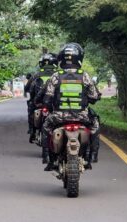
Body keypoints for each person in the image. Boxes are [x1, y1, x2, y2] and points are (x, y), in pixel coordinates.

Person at [42, 43, 101, 171]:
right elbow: (94, 96)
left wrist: (49, 104)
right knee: (95, 125)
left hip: (59, 116)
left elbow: (47, 99)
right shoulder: (84, 76)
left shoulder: (56, 76)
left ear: (61, 58)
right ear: (79, 58)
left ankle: (48, 158)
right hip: (82, 116)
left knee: (46, 126)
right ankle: (92, 156)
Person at [27, 53, 58, 142]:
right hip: (54, 103)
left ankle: (32, 130)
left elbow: (28, 88)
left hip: (39, 102)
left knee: (31, 107)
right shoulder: (58, 75)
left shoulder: (36, 75)